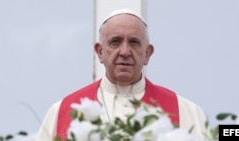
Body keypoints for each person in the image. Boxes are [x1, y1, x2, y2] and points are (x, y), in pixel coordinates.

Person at [37, 9, 209, 140]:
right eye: (115, 42)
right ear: (100, 52)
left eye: (134, 43)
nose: (125, 51)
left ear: (147, 53)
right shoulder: (63, 110)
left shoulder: (185, 111)